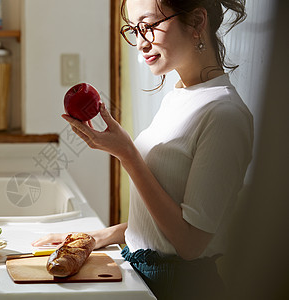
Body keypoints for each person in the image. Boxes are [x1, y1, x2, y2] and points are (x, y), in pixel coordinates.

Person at [32, 0, 252, 299]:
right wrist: (102, 236)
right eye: (134, 30)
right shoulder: (180, 96)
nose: (140, 43)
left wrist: (128, 155)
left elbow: (190, 244)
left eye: (148, 27)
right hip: (145, 273)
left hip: (180, 286)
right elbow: (164, 214)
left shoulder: (224, 114)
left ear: (197, 21)